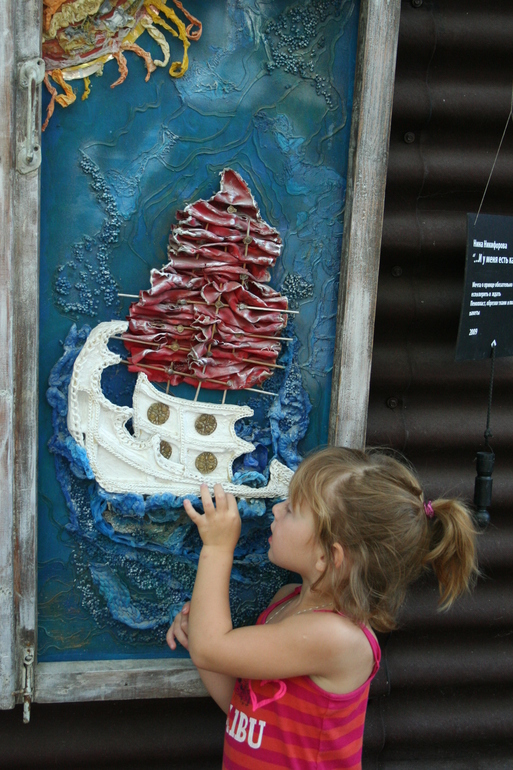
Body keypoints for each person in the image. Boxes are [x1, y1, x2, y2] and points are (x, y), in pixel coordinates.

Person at [167, 447, 478, 770]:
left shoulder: (336, 637)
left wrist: (218, 547)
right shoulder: (285, 603)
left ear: (327, 556)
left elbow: (212, 648)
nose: (276, 510)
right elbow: (246, 708)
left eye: (292, 509)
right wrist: (200, 638)